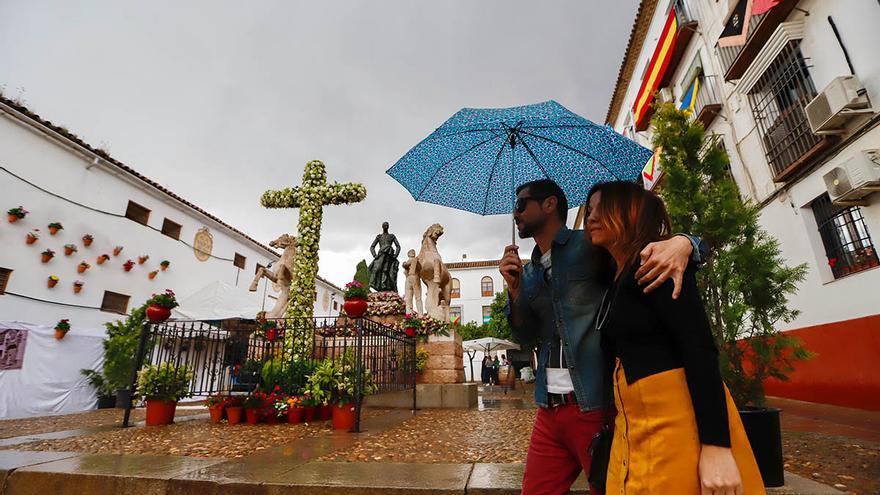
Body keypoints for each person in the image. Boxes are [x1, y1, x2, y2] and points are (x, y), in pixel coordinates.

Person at [501, 179, 704, 495]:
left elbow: (644, 246)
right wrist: (514, 290)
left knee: (610, 489)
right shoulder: (527, 272)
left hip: (593, 402)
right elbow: (525, 334)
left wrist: (685, 242)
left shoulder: (590, 244)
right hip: (548, 406)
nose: (515, 213)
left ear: (550, 204)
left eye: (521, 204)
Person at [586, 180, 764, 495]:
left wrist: (716, 447)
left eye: (602, 208)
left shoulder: (657, 263)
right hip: (634, 434)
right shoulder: (613, 278)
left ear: (629, 212)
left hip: (677, 429)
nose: (590, 217)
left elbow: (698, 348)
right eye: (589, 211)